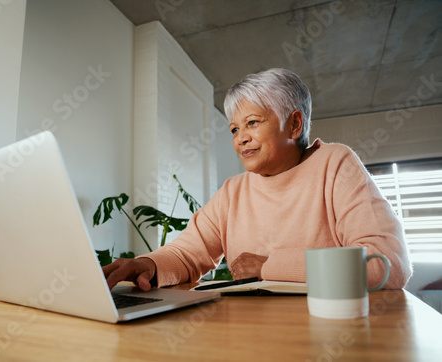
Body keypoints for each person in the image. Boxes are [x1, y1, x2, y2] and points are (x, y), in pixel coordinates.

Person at [103, 68, 412, 291]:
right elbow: (186, 254)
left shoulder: (335, 164)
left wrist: (269, 266)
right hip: (248, 334)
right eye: (235, 129)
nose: (241, 139)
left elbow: (387, 263)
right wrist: (149, 265)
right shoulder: (233, 191)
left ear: (293, 124)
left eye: (252, 123)